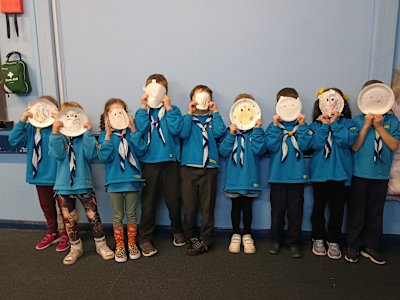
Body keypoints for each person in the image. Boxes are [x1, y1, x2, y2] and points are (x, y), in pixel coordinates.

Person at [49, 101, 114, 265]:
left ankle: (101, 245)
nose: (71, 119)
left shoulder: (83, 137)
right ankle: (75, 247)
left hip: (83, 183)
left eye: (75, 115)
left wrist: (87, 133)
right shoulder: (59, 137)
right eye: (67, 116)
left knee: (94, 217)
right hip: (63, 185)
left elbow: (91, 154)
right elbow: (57, 154)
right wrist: (55, 132)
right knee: (69, 220)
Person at [345, 80, 400, 265]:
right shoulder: (358, 121)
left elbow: (393, 145)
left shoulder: (392, 121)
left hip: (381, 176)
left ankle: (372, 246)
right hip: (360, 174)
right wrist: (367, 126)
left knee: (376, 213)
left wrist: (379, 127)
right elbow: (355, 146)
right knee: (357, 212)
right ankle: (353, 245)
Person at [8, 96, 70, 252]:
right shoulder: (30, 128)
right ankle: (53, 233)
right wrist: (23, 120)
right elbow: (14, 140)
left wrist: (59, 122)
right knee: (47, 207)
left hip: (59, 175)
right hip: (39, 176)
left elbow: (67, 145)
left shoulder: (60, 127)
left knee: (65, 208)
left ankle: (67, 234)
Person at [135, 74, 185, 257]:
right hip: (149, 163)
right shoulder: (143, 112)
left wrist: (169, 107)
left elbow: (176, 130)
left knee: (173, 199)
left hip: (170, 162)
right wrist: (142, 106)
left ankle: (177, 230)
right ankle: (145, 238)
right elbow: (140, 129)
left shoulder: (174, 110)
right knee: (148, 202)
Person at [309, 88, 358, 260]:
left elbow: (347, 141)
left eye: (334, 100)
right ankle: (318, 238)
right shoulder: (315, 125)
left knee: (337, 211)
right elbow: (314, 144)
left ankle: (334, 240)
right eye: (327, 101)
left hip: (341, 176)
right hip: (320, 175)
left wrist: (335, 123)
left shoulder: (349, 123)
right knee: (318, 210)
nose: (331, 104)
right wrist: (324, 125)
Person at [98, 98, 147, 262]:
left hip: (132, 180)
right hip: (114, 182)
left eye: (122, 110)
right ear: (107, 115)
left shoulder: (131, 133)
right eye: (114, 111)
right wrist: (108, 136)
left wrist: (133, 131)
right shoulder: (106, 137)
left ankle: (132, 244)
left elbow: (141, 150)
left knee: (132, 214)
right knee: (118, 216)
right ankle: (120, 245)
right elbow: (104, 157)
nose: (118, 113)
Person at [265, 87, 312, 258]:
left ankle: (294, 242)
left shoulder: (302, 126)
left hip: (297, 178)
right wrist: (277, 126)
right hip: (278, 178)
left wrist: (303, 125)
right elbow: (271, 146)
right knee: (277, 213)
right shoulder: (273, 126)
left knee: (295, 213)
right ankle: (275, 240)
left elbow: (306, 145)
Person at [180, 84, 226, 255]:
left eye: (205, 97)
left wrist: (215, 112)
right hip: (189, 168)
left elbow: (220, 132)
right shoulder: (188, 119)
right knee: (189, 207)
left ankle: (206, 239)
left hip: (210, 167)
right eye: (198, 97)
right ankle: (191, 237)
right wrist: (189, 113)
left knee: (207, 207)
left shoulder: (213, 120)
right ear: (192, 100)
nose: (202, 101)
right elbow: (183, 134)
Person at [219, 93, 266, 254]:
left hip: (250, 178)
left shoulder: (256, 133)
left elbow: (259, 150)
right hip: (234, 179)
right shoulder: (229, 132)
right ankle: (235, 234)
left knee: (247, 207)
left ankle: (247, 234)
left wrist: (258, 130)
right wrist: (231, 134)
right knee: (235, 206)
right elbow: (223, 151)